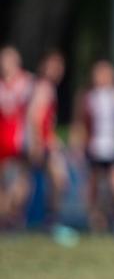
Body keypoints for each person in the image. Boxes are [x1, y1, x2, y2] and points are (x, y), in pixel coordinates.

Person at [24, 51, 79, 245]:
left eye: (59, 67)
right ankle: (49, 222)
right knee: (57, 181)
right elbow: (35, 116)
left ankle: (39, 221)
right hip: (41, 143)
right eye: (53, 66)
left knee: (30, 184)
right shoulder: (43, 87)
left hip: (44, 141)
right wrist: (40, 142)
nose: (57, 71)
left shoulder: (45, 87)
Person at [70, 60, 114, 233]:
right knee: (93, 186)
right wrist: (77, 146)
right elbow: (79, 122)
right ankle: (96, 219)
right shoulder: (87, 96)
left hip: (113, 147)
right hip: (94, 147)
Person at [0, 46, 34, 229]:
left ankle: (15, 214)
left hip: (18, 140)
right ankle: (6, 218)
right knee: (4, 184)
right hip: (2, 139)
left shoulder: (27, 82)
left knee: (22, 181)